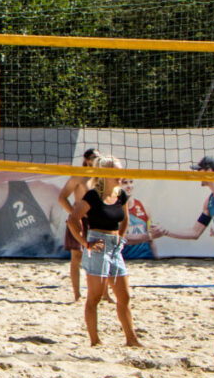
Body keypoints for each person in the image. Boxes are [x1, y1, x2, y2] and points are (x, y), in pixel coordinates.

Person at [65, 156, 162, 347]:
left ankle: (131, 339)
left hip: (115, 246)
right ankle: (95, 341)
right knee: (94, 297)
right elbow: (72, 220)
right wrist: (85, 243)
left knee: (124, 296)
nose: (121, 175)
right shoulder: (93, 196)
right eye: (117, 171)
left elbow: (124, 219)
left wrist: (121, 237)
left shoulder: (121, 195)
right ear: (105, 174)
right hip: (98, 243)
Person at [55, 149, 100, 300]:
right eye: (93, 157)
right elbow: (62, 197)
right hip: (81, 220)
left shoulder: (102, 177)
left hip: (96, 221)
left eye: (98, 157)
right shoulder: (79, 176)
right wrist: (73, 214)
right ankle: (77, 294)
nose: (96, 159)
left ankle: (104, 293)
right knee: (76, 257)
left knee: (100, 257)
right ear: (86, 159)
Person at [155, 156, 214, 244]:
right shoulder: (209, 201)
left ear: (209, 171)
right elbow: (195, 232)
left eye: (199, 170)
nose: (197, 174)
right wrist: (166, 231)